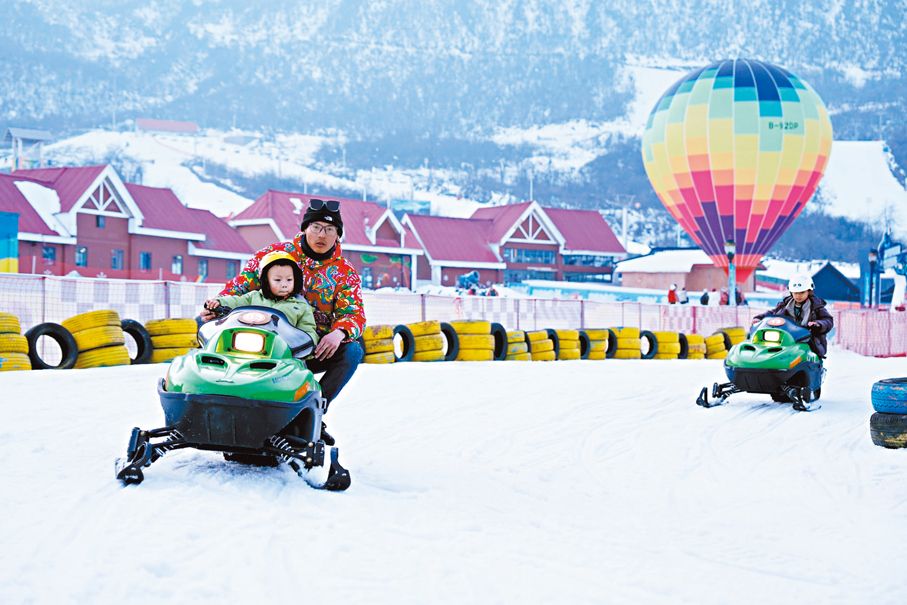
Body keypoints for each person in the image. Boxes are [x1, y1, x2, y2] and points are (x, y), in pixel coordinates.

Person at [201, 198, 365, 442]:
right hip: (259, 337)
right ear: (304, 229)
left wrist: (339, 332)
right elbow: (241, 285)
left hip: (308, 347)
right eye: (317, 228)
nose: (323, 235)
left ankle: (311, 413)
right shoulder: (273, 255)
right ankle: (211, 399)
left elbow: (354, 313)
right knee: (203, 323)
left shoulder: (345, 272)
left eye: (330, 230)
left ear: (338, 235)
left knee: (352, 351)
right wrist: (218, 304)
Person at [204, 250, 319, 348]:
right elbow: (235, 301)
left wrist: (308, 343)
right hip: (249, 345)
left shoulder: (301, 306)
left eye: (289, 280)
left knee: (299, 371)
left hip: (283, 352)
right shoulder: (253, 297)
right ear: (266, 282)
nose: (284, 285)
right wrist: (219, 302)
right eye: (277, 280)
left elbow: (308, 330)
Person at [751, 274, 834, 357]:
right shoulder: (784, 305)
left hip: (809, 342)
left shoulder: (816, 306)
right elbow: (772, 313)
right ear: (791, 292)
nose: (798, 295)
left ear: (810, 292)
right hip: (787, 338)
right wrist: (759, 318)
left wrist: (818, 324)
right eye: (795, 292)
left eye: (802, 292)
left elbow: (828, 320)